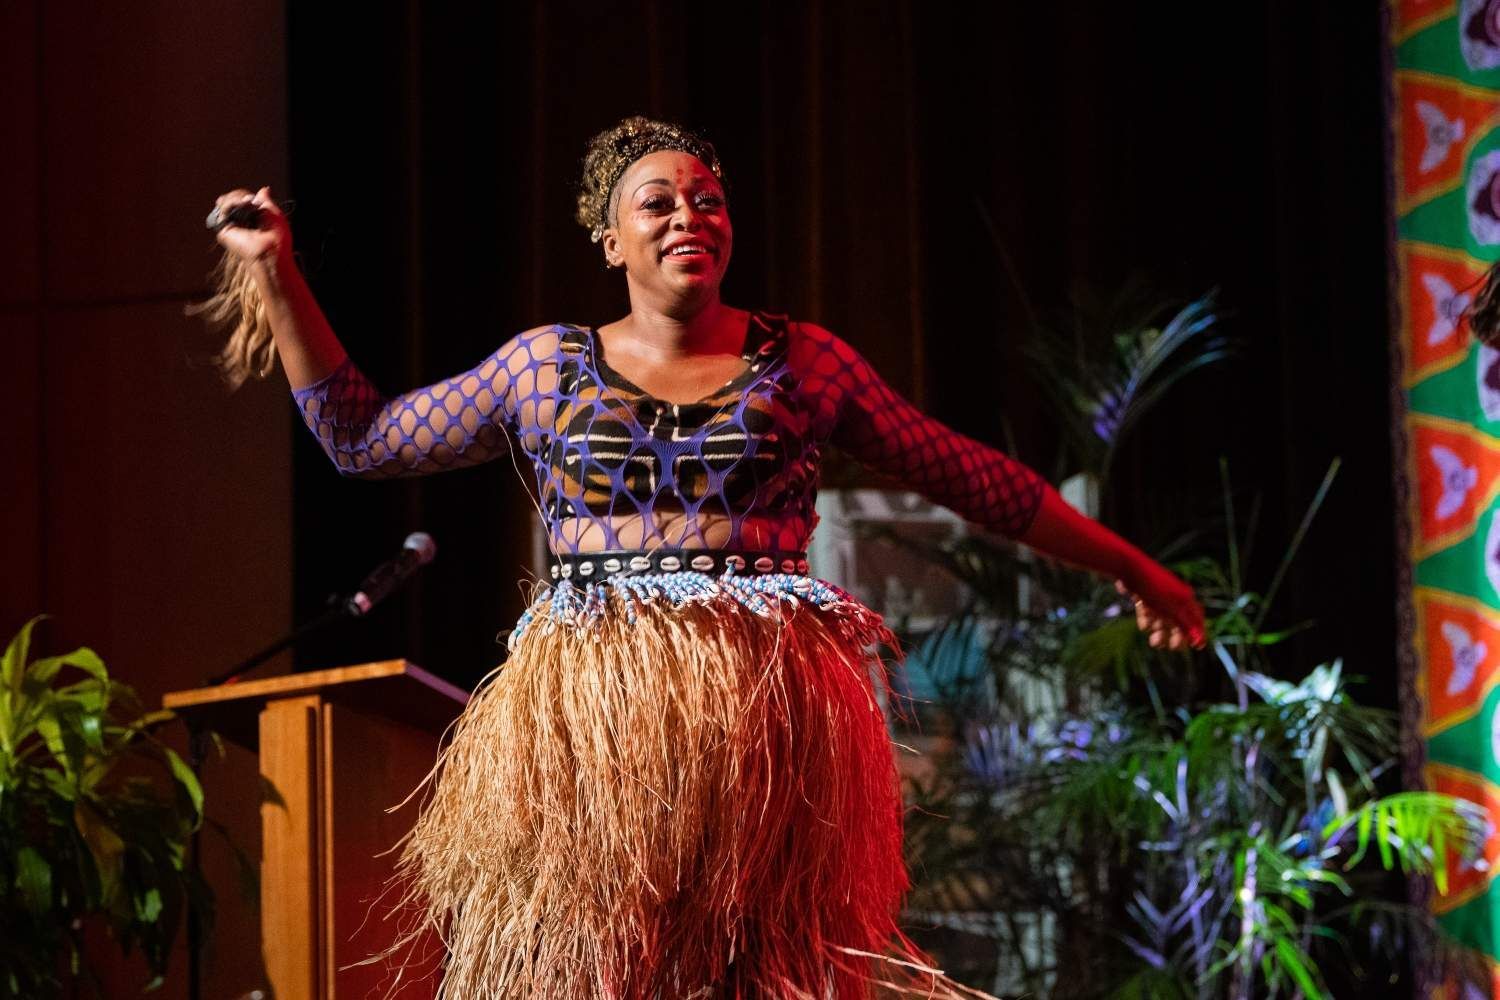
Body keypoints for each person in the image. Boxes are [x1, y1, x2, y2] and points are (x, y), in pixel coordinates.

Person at [209, 116, 1204, 999]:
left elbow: (972, 477)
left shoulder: (805, 361)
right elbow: (362, 437)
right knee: (608, 963)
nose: (691, 215)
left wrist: (1134, 568)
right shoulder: (544, 366)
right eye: (660, 202)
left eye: (710, 200)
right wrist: (275, 271)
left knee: (763, 964)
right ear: (610, 240)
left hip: (766, 714)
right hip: (597, 715)